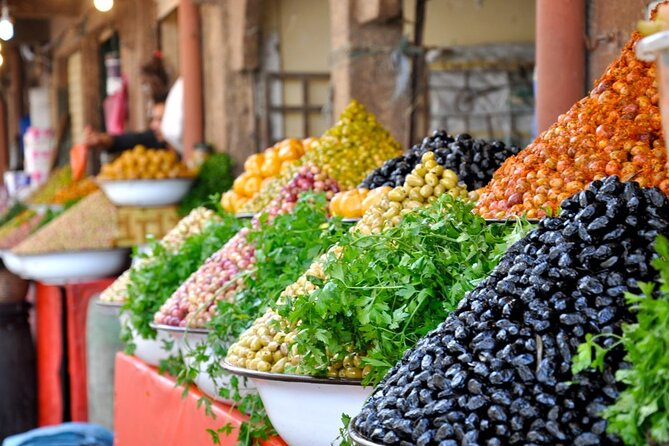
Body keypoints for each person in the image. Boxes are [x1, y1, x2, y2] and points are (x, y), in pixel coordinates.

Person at [82, 52, 177, 153]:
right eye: (154, 119)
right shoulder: (155, 140)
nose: (153, 125)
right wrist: (102, 139)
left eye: (160, 120)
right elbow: (129, 141)